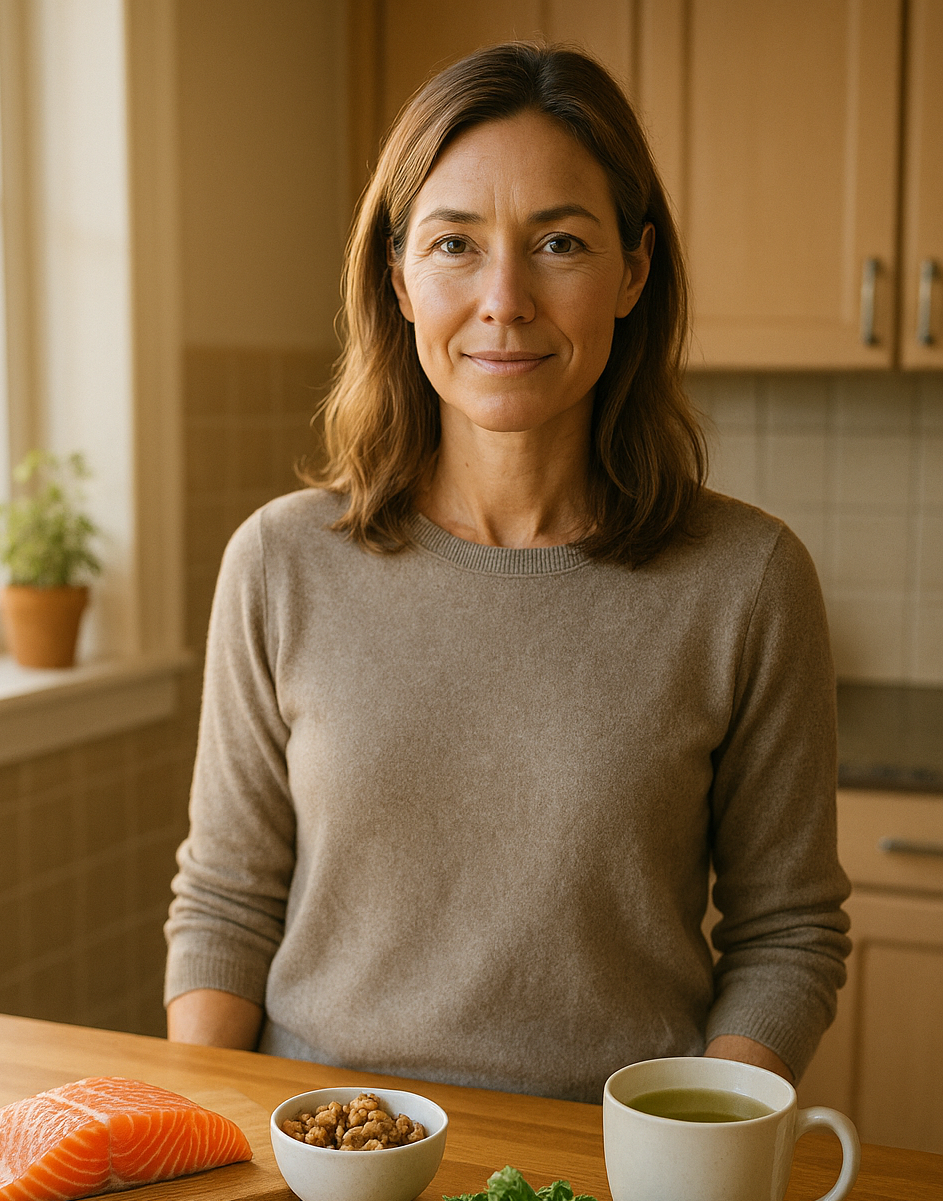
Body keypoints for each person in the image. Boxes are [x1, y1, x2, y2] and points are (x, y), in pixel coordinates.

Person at [165, 42, 850, 1101]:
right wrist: (207, 1136)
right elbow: (226, 904)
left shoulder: (747, 581)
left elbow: (788, 932)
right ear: (399, 278)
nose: (504, 298)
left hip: (603, 1170)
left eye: (559, 243)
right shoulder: (279, 562)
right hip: (321, 1150)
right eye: (455, 244)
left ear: (634, 272)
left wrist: (692, 1134)